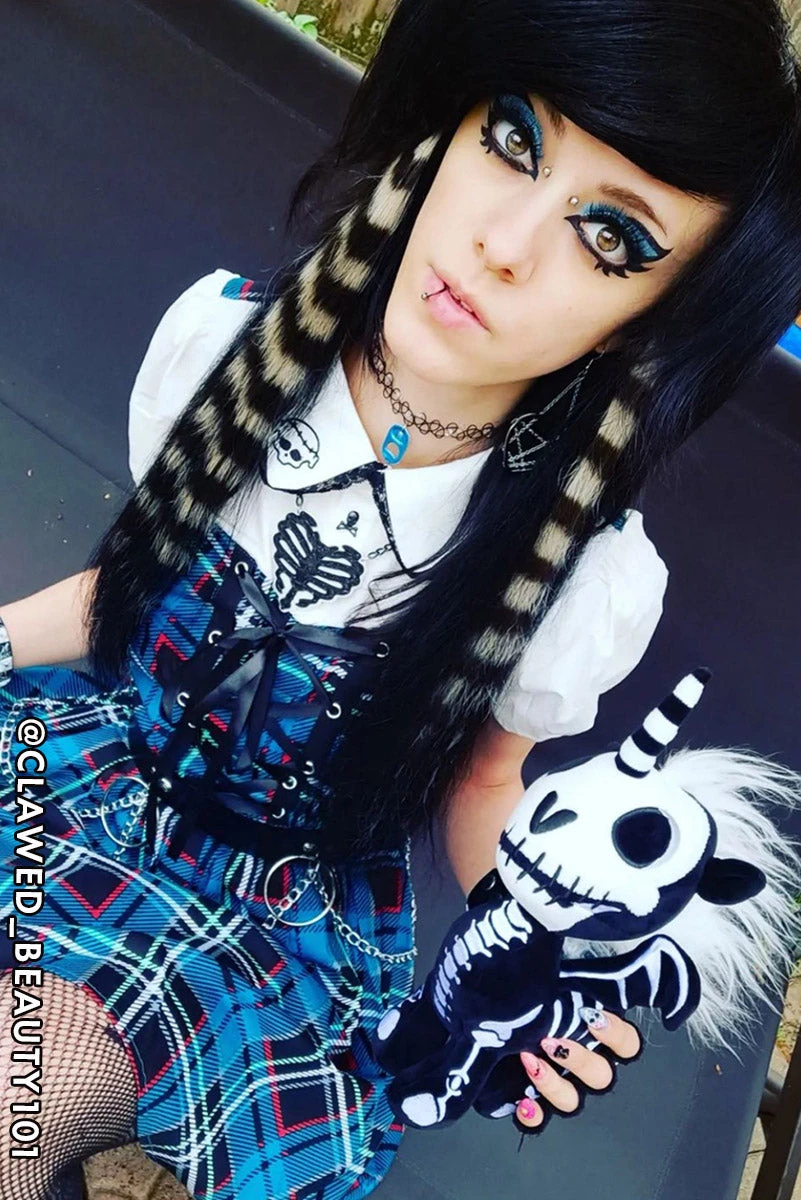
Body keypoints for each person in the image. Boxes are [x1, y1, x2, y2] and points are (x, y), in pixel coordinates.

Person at [1, 0, 800, 1195]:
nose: (505, 245)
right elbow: (131, 589)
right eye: (514, 138)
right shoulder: (227, 349)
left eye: (610, 237)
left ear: (655, 318)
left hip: (260, 923)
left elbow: (483, 783)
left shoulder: (581, 573)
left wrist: (545, 962)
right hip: (79, 782)